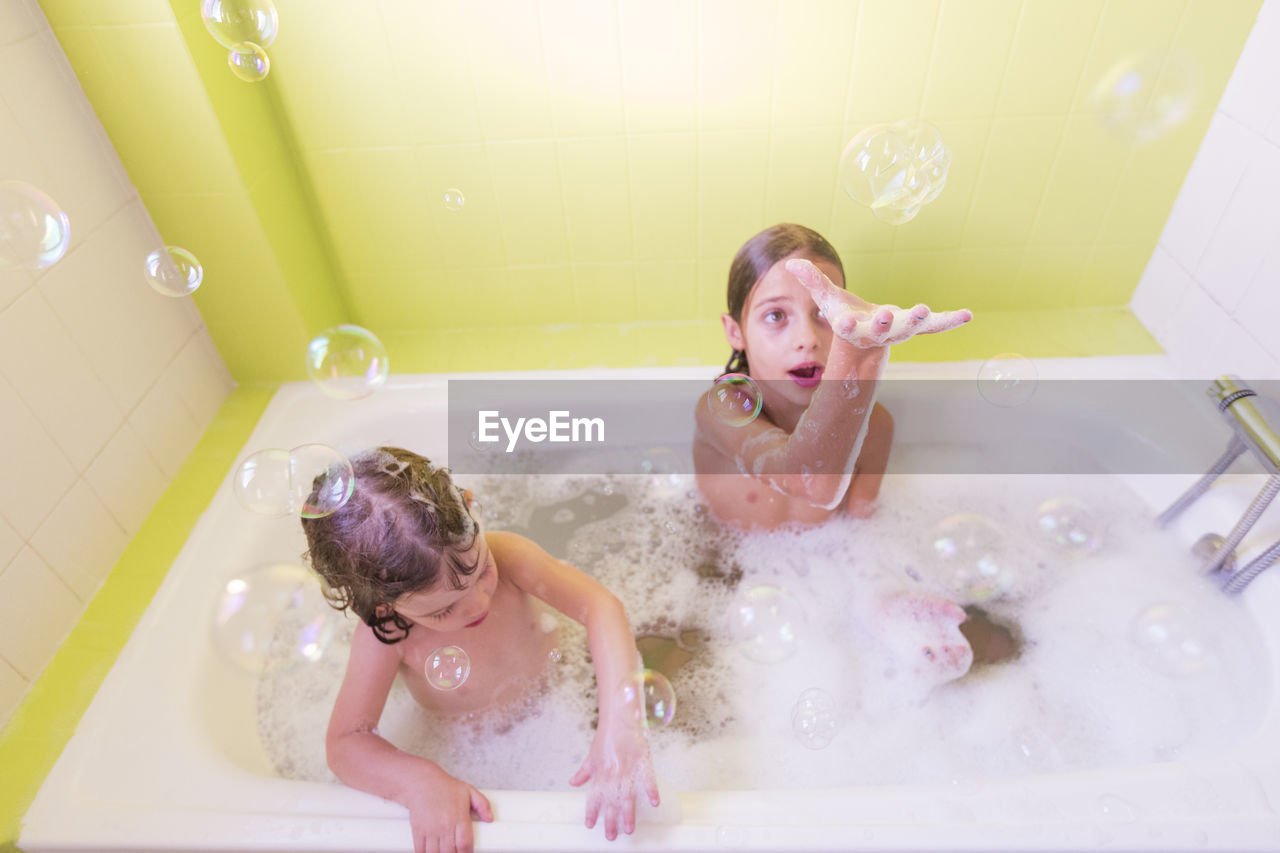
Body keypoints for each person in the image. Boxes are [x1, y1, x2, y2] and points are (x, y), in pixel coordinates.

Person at [302, 447, 658, 853]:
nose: (479, 604)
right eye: (444, 610)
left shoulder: (509, 555)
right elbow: (347, 741)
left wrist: (620, 725)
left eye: (480, 570)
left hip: (567, 693)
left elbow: (600, 606)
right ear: (385, 606)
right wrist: (419, 782)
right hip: (476, 747)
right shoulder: (386, 635)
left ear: (470, 507)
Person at [694, 223, 973, 528]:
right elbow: (808, 482)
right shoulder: (721, 410)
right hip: (720, 563)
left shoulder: (875, 427)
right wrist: (859, 355)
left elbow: (861, 524)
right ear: (735, 332)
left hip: (828, 564)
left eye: (825, 313)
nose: (808, 338)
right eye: (776, 315)